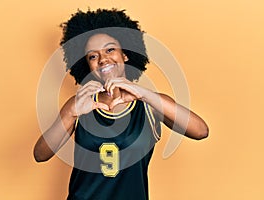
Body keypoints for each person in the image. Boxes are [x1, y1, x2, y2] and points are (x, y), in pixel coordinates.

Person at [33, 8, 209, 200]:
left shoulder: (149, 104)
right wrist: (70, 113)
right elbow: (40, 154)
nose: (103, 59)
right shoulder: (80, 104)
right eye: (93, 56)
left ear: (125, 54)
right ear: (87, 65)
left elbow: (200, 131)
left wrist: (144, 94)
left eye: (110, 49)